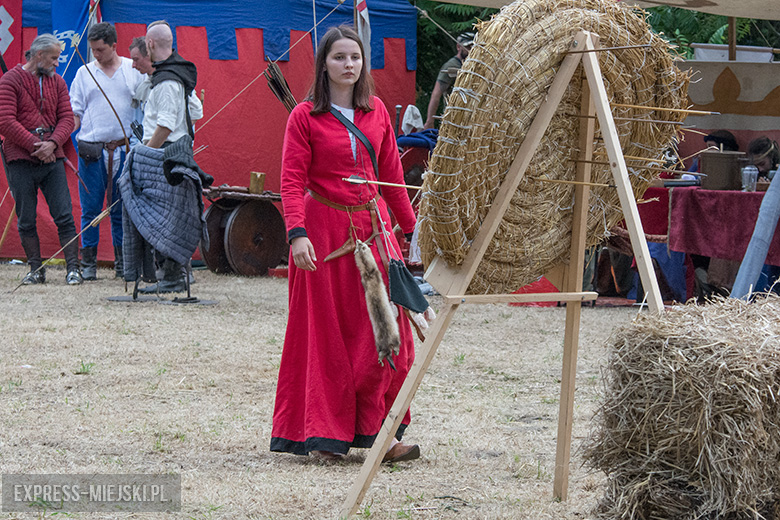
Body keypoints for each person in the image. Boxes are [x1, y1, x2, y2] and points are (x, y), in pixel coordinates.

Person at [271, 25, 420, 463]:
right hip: (324, 237)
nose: (348, 64)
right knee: (328, 338)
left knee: (387, 333)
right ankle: (325, 434)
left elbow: (391, 177)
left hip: (375, 232)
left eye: (355, 57)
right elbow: (291, 180)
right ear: (324, 64)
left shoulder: (376, 111)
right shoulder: (304, 117)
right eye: (339, 57)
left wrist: (411, 230)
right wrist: (297, 233)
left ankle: (383, 433)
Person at [0, 34, 82, 285]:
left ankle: (73, 269)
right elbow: (5, 120)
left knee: (64, 214)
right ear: (39, 55)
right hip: (20, 159)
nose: (57, 63)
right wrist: (35, 145)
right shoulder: (10, 80)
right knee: (26, 217)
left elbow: (67, 118)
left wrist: (53, 144)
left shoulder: (58, 82)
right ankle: (35, 269)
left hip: (52, 158)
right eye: (54, 58)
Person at [70, 22, 144, 280]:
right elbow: (75, 113)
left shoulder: (132, 70)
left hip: (124, 150)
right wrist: (59, 136)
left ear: (114, 46)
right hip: (92, 150)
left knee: (120, 209)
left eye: (100, 49)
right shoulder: (84, 73)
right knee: (90, 209)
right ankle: (88, 264)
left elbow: (144, 107)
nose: (96, 55)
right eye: (93, 50)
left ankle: (123, 263)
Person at [135, 20, 204, 294]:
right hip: (176, 152)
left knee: (163, 217)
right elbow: (195, 112)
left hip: (164, 154)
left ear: (150, 44)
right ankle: (172, 274)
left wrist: (147, 153)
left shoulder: (166, 81)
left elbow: (164, 125)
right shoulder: (179, 75)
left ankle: (172, 277)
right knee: (172, 215)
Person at [423, 32, 474, 129]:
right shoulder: (452, 66)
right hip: (453, 119)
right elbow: (436, 94)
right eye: (468, 47)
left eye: (473, 47)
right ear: (458, 47)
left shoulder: (473, 66)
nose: (471, 50)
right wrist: (430, 121)